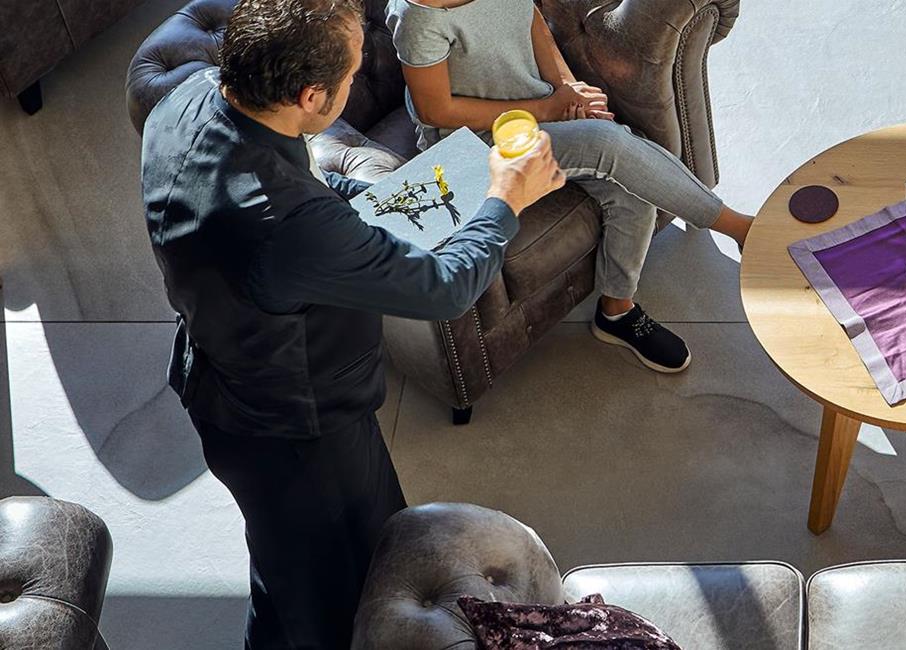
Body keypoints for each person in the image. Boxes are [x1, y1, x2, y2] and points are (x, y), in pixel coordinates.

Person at [138, 0, 566, 646]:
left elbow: (287, 190)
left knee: (283, 574)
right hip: (305, 444)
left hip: (219, 391)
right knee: (359, 602)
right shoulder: (287, 228)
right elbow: (445, 287)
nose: (363, 73)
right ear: (312, 96)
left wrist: (349, 203)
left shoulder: (184, 101)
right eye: (354, 72)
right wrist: (506, 200)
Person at [388, 0, 754, 373]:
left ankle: (616, 311)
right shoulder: (418, 16)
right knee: (606, 142)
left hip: (531, 109)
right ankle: (741, 229)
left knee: (631, 184)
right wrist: (548, 108)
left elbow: (530, 17)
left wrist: (568, 85)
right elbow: (436, 111)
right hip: (476, 144)